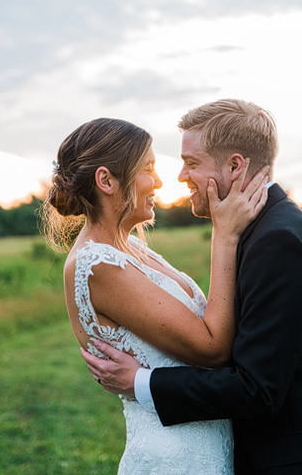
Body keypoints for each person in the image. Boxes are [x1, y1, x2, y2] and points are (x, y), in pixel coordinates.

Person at [83, 100, 302, 474]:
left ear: (235, 166)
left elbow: (258, 389)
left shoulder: (276, 240)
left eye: (192, 162)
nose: (181, 176)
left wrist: (140, 382)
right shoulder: (263, 228)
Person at [45, 115, 268, 473]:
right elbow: (211, 347)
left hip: (204, 444)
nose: (160, 181)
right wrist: (224, 236)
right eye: (148, 168)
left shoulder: (130, 248)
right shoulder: (96, 263)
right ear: (107, 180)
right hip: (174, 457)